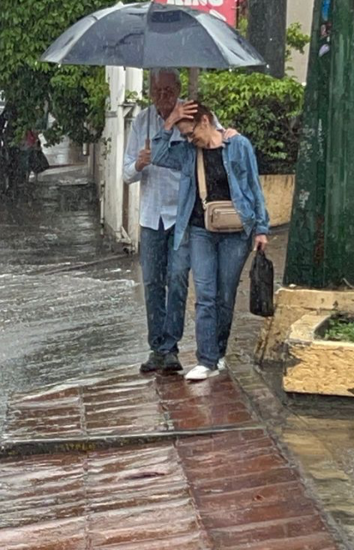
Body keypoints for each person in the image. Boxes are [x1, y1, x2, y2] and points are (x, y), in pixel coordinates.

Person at [123, 70, 234, 374]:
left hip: (183, 215)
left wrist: (230, 134)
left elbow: (217, 139)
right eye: (157, 92)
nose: (163, 97)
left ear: (178, 90)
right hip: (151, 215)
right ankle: (157, 347)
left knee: (177, 279)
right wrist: (139, 164)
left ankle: (171, 347)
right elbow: (126, 173)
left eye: (169, 91)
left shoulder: (192, 112)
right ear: (150, 92)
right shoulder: (142, 121)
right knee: (151, 282)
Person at [150, 102, 270, 382]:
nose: (190, 140)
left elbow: (254, 186)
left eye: (191, 133)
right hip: (200, 230)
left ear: (205, 121)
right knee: (205, 296)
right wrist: (170, 122)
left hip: (236, 231)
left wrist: (261, 229)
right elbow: (158, 155)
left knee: (225, 296)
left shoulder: (238, 146)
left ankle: (218, 353)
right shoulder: (189, 153)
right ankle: (206, 360)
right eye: (185, 136)